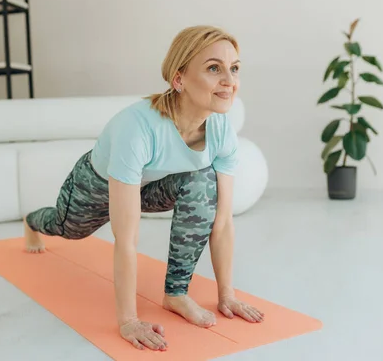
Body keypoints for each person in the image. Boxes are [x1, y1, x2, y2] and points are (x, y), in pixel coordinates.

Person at [22, 25, 264, 351]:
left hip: (148, 188)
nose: (230, 81)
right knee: (67, 229)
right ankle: (32, 222)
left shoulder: (221, 131)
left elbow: (222, 222)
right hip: (96, 184)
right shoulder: (136, 128)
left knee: (201, 180)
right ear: (179, 80)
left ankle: (176, 293)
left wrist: (227, 295)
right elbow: (126, 239)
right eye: (213, 68)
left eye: (234, 68)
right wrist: (128, 320)